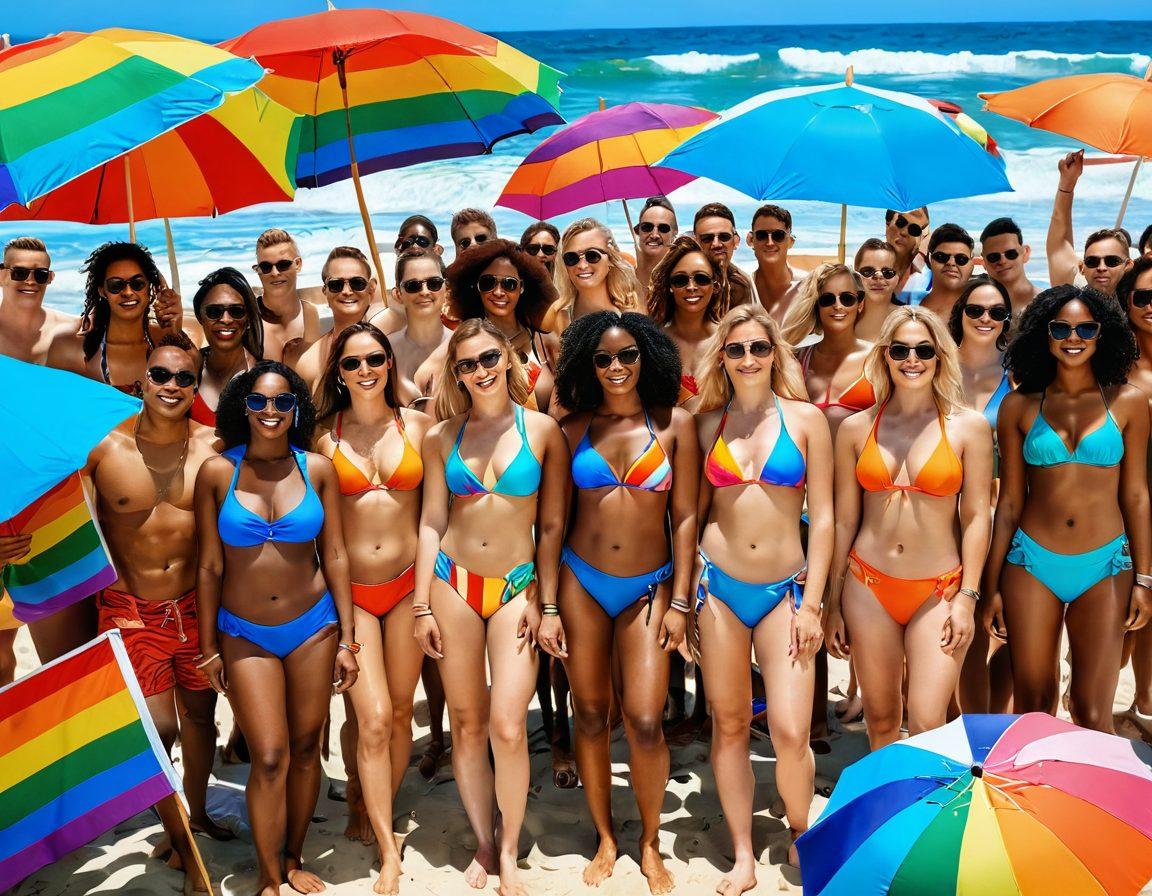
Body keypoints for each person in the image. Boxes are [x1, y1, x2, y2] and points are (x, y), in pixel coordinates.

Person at [413, 319, 567, 894]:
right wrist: (421, 603)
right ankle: (483, 838)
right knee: (467, 724)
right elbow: (432, 520)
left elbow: (551, 526)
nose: (478, 372)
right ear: (455, 373)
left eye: (486, 360)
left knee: (507, 725)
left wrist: (546, 602)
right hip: (453, 581)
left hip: (517, 586)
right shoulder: (440, 435)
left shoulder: (543, 430)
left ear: (507, 359)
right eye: (465, 365)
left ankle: (509, 849)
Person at [194, 360, 359, 896]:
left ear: (297, 409)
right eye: (260, 401)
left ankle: (292, 857)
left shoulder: (317, 469)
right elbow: (209, 566)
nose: (271, 410)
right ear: (244, 406)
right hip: (243, 631)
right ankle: (267, 877)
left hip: (313, 626)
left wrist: (349, 641)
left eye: (283, 401)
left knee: (308, 745)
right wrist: (207, 647)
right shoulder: (218, 472)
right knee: (268, 755)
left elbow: (334, 555)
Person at [549, 311, 696, 894]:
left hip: (650, 585)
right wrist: (548, 606)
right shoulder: (570, 428)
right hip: (580, 582)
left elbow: (684, 517)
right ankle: (606, 836)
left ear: (648, 358)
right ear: (589, 363)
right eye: (604, 358)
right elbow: (554, 522)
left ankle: (650, 840)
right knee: (587, 714)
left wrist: (681, 600)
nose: (616, 366)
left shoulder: (674, 424)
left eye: (628, 355)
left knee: (643, 719)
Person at [693, 305, 831, 887]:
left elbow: (822, 520)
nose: (748, 358)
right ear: (721, 357)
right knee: (727, 726)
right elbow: (689, 518)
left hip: (787, 591)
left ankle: (802, 832)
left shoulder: (805, 421)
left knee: (791, 732)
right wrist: (684, 600)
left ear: (776, 352)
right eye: (736, 349)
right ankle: (745, 851)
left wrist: (815, 603)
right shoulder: (705, 425)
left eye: (758, 347)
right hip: (718, 586)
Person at [83, 335, 226, 893]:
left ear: (196, 385)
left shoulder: (213, 447)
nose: (171, 387)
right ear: (141, 380)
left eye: (184, 378)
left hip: (195, 607)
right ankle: (184, 845)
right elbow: (51, 509)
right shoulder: (102, 450)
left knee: (200, 718)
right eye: (161, 376)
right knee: (157, 726)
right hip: (129, 608)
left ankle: (194, 815)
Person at [984, 285, 1152, 733]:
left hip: (1107, 565)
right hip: (1030, 563)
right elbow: (1010, 502)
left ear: (1103, 334)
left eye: (1085, 328)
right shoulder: (1019, 406)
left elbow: (1136, 495)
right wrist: (990, 584)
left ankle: (1102, 803)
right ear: (1044, 334)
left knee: (1092, 712)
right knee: (1034, 706)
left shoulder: (1130, 401)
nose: (1072, 336)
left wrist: (1145, 580)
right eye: (1060, 327)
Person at [827, 307, 993, 750]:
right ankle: (890, 816)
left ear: (941, 356)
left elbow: (977, 517)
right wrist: (832, 601)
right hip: (867, 585)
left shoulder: (970, 428)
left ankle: (928, 816)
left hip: (938, 590)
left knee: (927, 720)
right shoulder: (855, 428)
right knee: (880, 721)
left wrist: (967, 598)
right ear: (884, 357)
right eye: (899, 350)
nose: (912, 359)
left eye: (924, 349)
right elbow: (845, 520)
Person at [313, 322, 432, 886]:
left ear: (390, 363)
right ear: (338, 373)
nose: (365, 371)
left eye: (375, 360)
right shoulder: (320, 437)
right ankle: (388, 847)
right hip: (353, 595)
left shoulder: (421, 427)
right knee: (375, 718)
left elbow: (441, 512)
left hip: (410, 588)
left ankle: (373, 796)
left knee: (403, 714)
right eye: (352, 363)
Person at [947, 277, 1015, 714]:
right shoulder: (934, 363)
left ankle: (991, 719)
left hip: (1002, 512)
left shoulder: (1021, 372)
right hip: (946, 513)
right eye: (975, 310)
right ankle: (963, 726)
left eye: (996, 312)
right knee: (958, 629)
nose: (985, 319)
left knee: (1009, 627)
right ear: (961, 315)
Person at [46, 241, 183, 395]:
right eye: (116, 285)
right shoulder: (69, 348)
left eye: (138, 283)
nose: (128, 292)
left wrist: (174, 327)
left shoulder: (165, 341)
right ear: (102, 291)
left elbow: (196, 376)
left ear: (151, 287)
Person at [445, 239, 560, 412]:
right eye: (488, 283)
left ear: (522, 287)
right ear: (476, 287)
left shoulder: (545, 342)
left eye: (509, 284)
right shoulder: (462, 345)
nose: (498, 292)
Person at [1118, 258, 1152, 738]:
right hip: (1124, 507)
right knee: (1125, 617)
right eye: (1142, 297)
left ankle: (1144, 706)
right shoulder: (1111, 365)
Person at [783, 263, 874, 430]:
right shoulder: (797, 359)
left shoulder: (878, 358)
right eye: (827, 299)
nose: (838, 306)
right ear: (816, 306)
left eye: (847, 298)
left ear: (860, 304)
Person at [647, 235, 727, 409]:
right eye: (680, 280)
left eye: (701, 279)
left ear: (715, 284)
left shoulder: (728, 341)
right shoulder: (653, 342)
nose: (691, 287)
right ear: (669, 286)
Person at [286, 246, 377, 391]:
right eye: (336, 285)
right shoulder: (309, 363)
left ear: (371, 290)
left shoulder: (391, 347)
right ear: (325, 292)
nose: (347, 291)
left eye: (357, 283)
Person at [1047, 150, 1133, 296]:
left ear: (1128, 265)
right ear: (1082, 267)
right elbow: (1058, 244)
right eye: (1092, 262)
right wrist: (1067, 183)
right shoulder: (1075, 289)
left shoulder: (1140, 298)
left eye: (1112, 261)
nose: (1101, 267)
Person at [190, 268, 264, 429]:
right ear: (200, 317)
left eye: (236, 311)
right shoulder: (186, 369)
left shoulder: (265, 379)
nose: (225, 319)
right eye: (213, 311)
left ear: (249, 319)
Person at [552, 218, 641, 331]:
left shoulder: (629, 319)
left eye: (592, 255)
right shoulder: (557, 315)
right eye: (571, 258)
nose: (582, 266)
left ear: (610, 258)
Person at [389, 249, 451, 406]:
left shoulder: (463, 345)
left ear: (446, 289)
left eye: (434, 283)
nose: (424, 292)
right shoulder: (385, 349)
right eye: (413, 286)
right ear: (397, 294)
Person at [251, 229, 322, 363]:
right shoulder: (249, 318)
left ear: (298, 264)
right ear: (258, 270)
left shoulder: (309, 313)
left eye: (283, 265)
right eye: (266, 267)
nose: (275, 273)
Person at [0, 236, 74, 363]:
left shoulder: (73, 330)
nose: (30, 281)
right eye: (20, 272)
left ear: (50, 278)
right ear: (2, 276)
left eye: (41, 274)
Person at [693, 203, 756, 307]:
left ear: (736, 241)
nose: (716, 244)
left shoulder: (742, 284)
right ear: (695, 243)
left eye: (724, 236)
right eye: (707, 238)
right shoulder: (684, 281)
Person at [746, 204, 802, 321]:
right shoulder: (743, 289)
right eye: (762, 235)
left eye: (778, 235)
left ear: (790, 241)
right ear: (751, 240)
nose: (770, 242)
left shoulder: (807, 287)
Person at [980, 217, 1040, 310]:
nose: (1002, 261)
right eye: (993, 257)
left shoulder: (1047, 302)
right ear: (984, 261)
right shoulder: (973, 304)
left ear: (1025, 253)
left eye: (1011, 254)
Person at [918, 223, 976, 318]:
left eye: (961, 259)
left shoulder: (981, 309)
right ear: (929, 259)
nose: (951, 262)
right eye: (941, 257)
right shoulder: (912, 303)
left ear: (971, 265)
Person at [853, 238, 900, 343]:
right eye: (868, 271)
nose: (878, 276)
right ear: (856, 275)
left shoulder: (908, 320)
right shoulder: (845, 318)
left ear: (897, 277)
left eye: (887, 272)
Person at [632, 197, 678, 300]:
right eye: (647, 227)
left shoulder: (682, 282)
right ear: (637, 231)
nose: (654, 235)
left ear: (674, 235)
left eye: (663, 228)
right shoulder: (620, 282)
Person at [884, 207, 931, 300]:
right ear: (887, 225)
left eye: (914, 229)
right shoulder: (868, 264)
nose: (904, 232)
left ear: (922, 237)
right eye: (901, 222)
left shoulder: (930, 280)